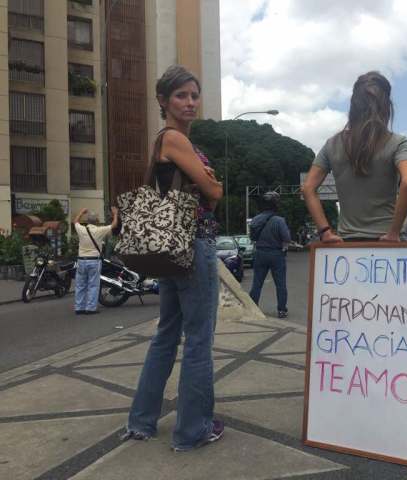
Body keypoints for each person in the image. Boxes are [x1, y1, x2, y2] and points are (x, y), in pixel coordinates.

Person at [123, 65, 224, 451]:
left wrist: (209, 181)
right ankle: (193, 430)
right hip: (193, 244)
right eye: (181, 95)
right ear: (163, 101)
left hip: (170, 248)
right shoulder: (176, 140)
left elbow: (206, 185)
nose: (191, 102)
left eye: (195, 95)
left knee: (166, 334)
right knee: (198, 338)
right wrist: (212, 181)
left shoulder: (166, 142)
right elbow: (213, 192)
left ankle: (141, 421)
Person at [302, 71, 407, 242]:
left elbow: (308, 188)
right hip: (386, 242)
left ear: (353, 104)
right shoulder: (398, 143)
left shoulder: (332, 144)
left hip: (347, 244)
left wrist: (325, 231)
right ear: (386, 105)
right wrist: (394, 232)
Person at [249, 191, 291, 318]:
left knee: (257, 283)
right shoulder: (279, 221)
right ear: (275, 205)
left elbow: (252, 237)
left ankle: (253, 307)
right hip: (276, 254)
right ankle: (281, 310)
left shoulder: (256, 219)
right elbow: (287, 238)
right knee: (280, 284)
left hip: (260, 253)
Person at [73, 207, 118, 315]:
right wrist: (115, 214)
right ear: (97, 221)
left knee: (80, 285)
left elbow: (75, 221)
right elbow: (114, 225)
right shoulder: (99, 230)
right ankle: (91, 308)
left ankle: (79, 308)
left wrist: (81, 212)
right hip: (94, 261)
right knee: (93, 285)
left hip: (81, 260)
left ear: (87, 221)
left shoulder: (81, 229)